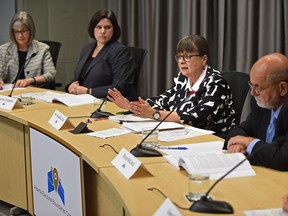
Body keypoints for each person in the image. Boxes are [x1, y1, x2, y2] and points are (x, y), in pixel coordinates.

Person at [108, 34, 236, 137]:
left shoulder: (216, 82)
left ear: (203, 59)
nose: (181, 61)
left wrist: (155, 114)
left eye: (187, 56)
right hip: (184, 135)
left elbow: (197, 117)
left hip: (213, 140)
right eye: (179, 57)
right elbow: (162, 101)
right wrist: (131, 105)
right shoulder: (182, 79)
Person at [224, 53, 288, 171]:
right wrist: (237, 144)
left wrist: (249, 142)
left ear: (282, 88)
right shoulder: (263, 104)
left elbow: (284, 158)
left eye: (258, 88)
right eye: (251, 85)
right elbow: (242, 129)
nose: (252, 93)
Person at [66, 9, 136, 100]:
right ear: (93, 29)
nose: (103, 31)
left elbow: (120, 87)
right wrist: (70, 86)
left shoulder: (120, 51)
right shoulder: (87, 48)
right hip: (82, 100)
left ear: (114, 29)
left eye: (107, 27)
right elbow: (81, 77)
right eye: (99, 27)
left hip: (107, 102)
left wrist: (89, 91)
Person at [0, 11, 56, 88]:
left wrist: (31, 80)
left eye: (23, 31)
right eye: (16, 31)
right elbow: (0, 73)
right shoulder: (4, 49)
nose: (20, 35)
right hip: (10, 94)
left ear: (31, 30)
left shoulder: (43, 49)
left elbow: (51, 74)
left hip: (32, 92)